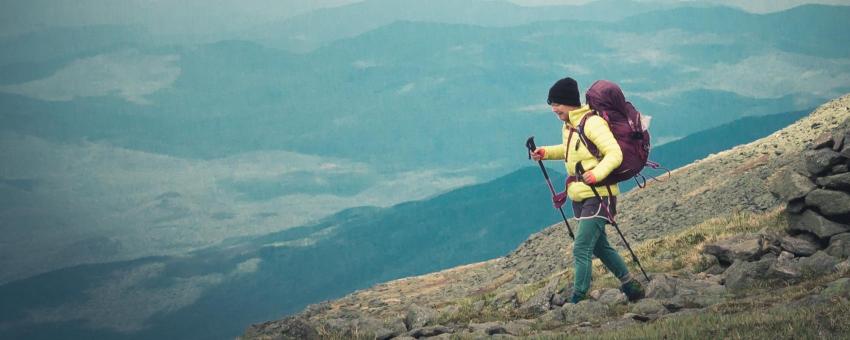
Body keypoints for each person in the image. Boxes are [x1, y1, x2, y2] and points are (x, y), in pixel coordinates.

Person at [530, 77, 645, 303]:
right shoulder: (570, 126)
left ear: (568, 102)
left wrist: (597, 174)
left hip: (600, 194)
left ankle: (578, 298)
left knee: (581, 247)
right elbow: (570, 150)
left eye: (556, 104)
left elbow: (614, 154)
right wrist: (545, 152)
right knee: (601, 247)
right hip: (581, 196)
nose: (553, 109)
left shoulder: (592, 123)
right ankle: (631, 287)